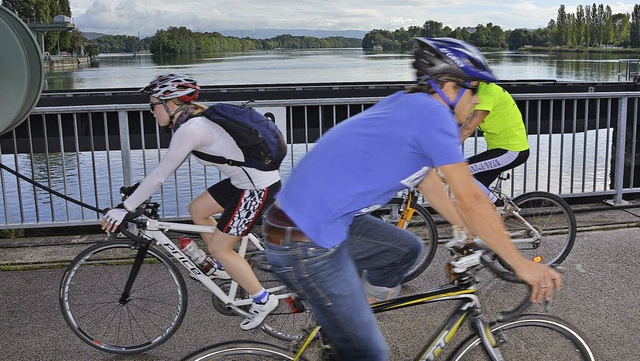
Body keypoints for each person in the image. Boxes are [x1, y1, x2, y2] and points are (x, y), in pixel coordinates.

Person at [262, 37, 562, 360]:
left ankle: (345, 319)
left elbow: (428, 180)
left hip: (319, 220)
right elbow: (472, 198)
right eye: (473, 90)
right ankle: (347, 325)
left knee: (406, 248)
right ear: (449, 88)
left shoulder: (409, 106)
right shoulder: (431, 117)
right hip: (305, 239)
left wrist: (464, 229)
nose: (477, 100)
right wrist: (521, 266)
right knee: (371, 354)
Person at [101, 73, 281, 330]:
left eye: (152, 105)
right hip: (245, 181)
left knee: (221, 246)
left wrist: (124, 208)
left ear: (170, 104)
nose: (151, 112)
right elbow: (159, 172)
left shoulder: (191, 129)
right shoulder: (193, 122)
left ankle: (262, 299)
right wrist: (136, 192)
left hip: (256, 188)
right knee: (197, 209)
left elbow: (162, 174)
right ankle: (222, 267)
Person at [458, 81, 530, 206]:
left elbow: (468, 129)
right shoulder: (474, 92)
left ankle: (499, 205)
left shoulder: (487, 93)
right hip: (498, 150)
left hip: (511, 150)